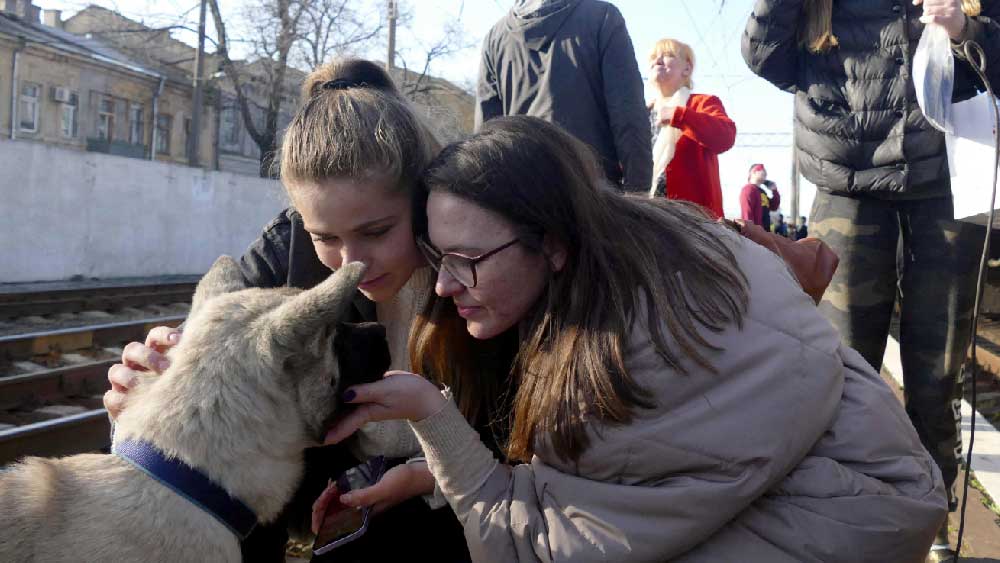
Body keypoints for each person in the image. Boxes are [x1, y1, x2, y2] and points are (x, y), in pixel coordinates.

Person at [323, 116, 947, 562]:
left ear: (554, 243)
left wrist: (433, 419)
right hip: (868, 480)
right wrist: (424, 474)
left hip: (853, 520)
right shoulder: (639, 241)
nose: (445, 286)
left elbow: (533, 545)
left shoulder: (621, 357)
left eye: (468, 260)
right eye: (439, 257)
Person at [103, 59, 473, 563]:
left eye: (377, 231)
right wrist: (150, 388)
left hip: (460, 493)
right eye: (326, 237)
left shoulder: (476, 250)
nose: (352, 263)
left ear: (423, 198)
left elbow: (535, 442)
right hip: (329, 491)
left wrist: (425, 475)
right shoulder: (287, 247)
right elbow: (209, 358)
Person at [743, 1, 999, 557]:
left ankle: (933, 518)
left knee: (937, 378)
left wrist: (968, 31)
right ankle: (840, 519)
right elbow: (764, 56)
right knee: (839, 370)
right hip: (848, 181)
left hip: (947, 180)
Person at [476, 0, 651, 192]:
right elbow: (628, 114)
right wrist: (639, 192)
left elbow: (485, 135)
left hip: (522, 196)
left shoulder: (494, 38)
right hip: (591, 196)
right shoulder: (602, 17)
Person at [648, 38, 735, 218]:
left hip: (694, 224)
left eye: (667, 55)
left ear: (687, 69)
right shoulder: (643, 113)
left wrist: (679, 116)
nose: (657, 60)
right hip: (648, 218)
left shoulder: (701, 103)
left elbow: (725, 138)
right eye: (653, 57)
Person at [738, 163, 780, 231]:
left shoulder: (762, 192)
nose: (765, 173)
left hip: (765, 232)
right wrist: (751, 231)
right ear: (753, 172)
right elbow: (747, 213)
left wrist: (774, 191)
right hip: (756, 233)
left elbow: (774, 206)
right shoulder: (748, 189)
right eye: (762, 169)